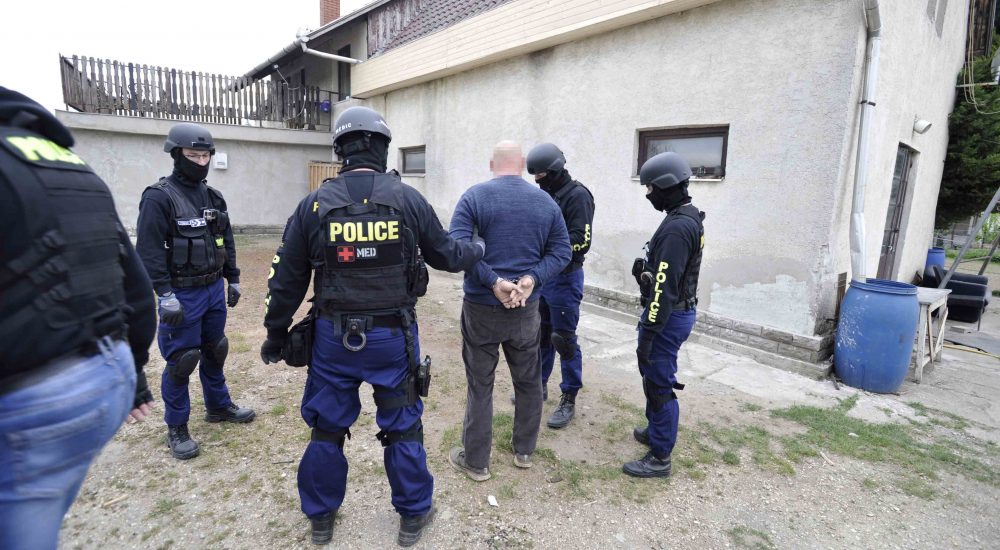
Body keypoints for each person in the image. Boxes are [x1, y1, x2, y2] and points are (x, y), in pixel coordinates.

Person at [259, 106, 484, 547]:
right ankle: (413, 515)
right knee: (402, 425)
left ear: (340, 150)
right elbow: (447, 255)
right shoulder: (407, 199)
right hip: (392, 338)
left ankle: (321, 518)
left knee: (327, 428)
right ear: (381, 147)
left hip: (333, 339)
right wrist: (477, 248)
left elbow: (285, 278)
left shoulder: (314, 205)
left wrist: (275, 332)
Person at [0, 86, 157, 548]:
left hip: (34, 393)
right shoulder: (71, 165)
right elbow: (138, 283)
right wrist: (134, 373)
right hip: (107, 374)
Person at [447, 140, 571, 480]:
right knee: (529, 381)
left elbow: (458, 248)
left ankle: (477, 462)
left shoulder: (474, 197)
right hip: (525, 310)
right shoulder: (546, 202)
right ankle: (524, 452)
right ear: (522, 164)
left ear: (492, 164)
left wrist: (493, 282)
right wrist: (531, 279)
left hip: (481, 309)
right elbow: (562, 252)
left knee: (480, 384)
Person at [136, 122, 255, 461]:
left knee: (215, 350)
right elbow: (148, 252)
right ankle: (177, 427)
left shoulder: (214, 197)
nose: (201, 162)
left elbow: (226, 240)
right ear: (177, 155)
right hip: (181, 294)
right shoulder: (159, 197)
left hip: (213, 288)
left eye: (205, 156)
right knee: (182, 361)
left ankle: (218, 406)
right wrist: (164, 294)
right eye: (193, 155)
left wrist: (233, 278)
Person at [626, 151, 704, 478]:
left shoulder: (677, 228)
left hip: (667, 318)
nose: (648, 194)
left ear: (667, 185)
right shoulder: (684, 216)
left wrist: (648, 330)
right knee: (653, 377)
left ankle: (660, 457)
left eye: (650, 188)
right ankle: (655, 430)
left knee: (659, 383)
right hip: (674, 313)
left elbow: (665, 288)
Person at [524, 142, 595, 429]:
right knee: (540, 335)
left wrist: (550, 251)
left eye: (542, 176)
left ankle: (569, 396)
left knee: (563, 339)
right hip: (543, 277)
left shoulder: (577, 196)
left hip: (565, 277)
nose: (538, 182)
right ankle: (538, 385)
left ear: (555, 170)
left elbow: (582, 240)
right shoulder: (546, 195)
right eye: (535, 177)